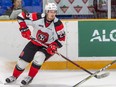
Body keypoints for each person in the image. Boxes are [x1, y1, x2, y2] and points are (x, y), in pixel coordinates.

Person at [5, 3, 65, 86]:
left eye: (54, 12)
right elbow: (20, 16)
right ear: (46, 12)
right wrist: (24, 29)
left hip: (47, 47)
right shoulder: (37, 17)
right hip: (34, 43)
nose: (53, 14)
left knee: (39, 56)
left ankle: (30, 77)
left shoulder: (58, 24)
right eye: (50, 11)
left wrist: (54, 45)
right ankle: (14, 76)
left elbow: (62, 39)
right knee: (22, 62)